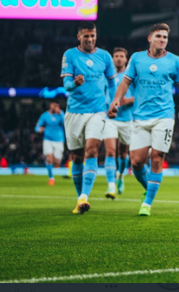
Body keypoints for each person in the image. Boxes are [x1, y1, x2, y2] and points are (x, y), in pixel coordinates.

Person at [108, 23, 179, 216]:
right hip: (140, 117)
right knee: (137, 162)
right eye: (158, 36)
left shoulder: (174, 61)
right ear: (150, 38)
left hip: (163, 117)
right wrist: (116, 100)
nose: (162, 40)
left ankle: (147, 203)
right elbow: (125, 82)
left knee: (156, 158)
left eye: (165, 37)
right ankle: (149, 187)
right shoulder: (137, 58)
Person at [60, 21, 118, 214]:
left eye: (93, 35)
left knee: (91, 151)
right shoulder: (70, 55)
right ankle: (80, 199)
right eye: (86, 36)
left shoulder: (105, 56)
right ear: (79, 37)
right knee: (76, 156)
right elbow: (66, 85)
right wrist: (74, 83)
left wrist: (113, 102)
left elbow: (111, 84)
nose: (90, 39)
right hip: (75, 112)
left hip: (97, 111)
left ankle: (85, 196)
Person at [109, 47, 136, 195]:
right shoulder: (108, 75)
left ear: (126, 59)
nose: (118, 58)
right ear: (113, 59)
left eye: (121, 56)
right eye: (116, 56)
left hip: (126, 119)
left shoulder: (131, 76)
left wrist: (129, 100)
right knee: (111, 151)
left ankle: (120, 175)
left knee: (122, 154)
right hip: (111, 119)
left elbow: (141, 95)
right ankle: (111, 183)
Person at [35, 101, 65, 185]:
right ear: (50, 105)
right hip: (47, 139)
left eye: (57, 105)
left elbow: (66, 124)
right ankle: (51, 178)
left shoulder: (61, 114)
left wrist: (61, 114)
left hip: (59, 140)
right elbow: (37, 126)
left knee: (56, 161)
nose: (55, 107)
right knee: (49, 158)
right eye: (54, 105)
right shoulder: (44, 116)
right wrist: (38, 129)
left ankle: (56, 163)